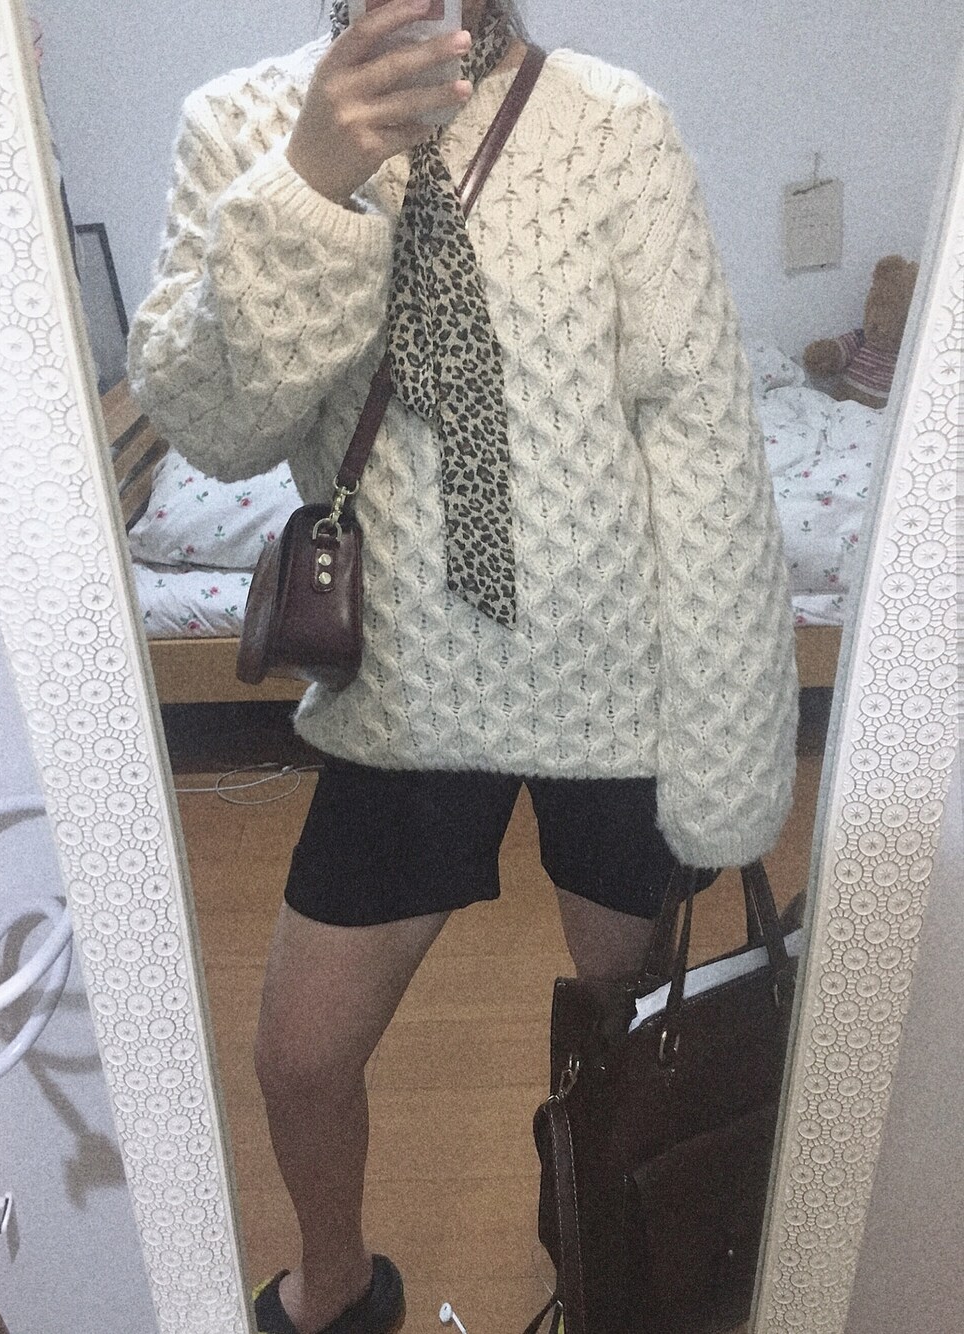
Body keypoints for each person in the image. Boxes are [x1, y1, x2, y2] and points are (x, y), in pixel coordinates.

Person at [128, 1, 799, 1329]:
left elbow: (702, 433)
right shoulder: (241, 125)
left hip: (618, 689)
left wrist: (728, 735)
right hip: (400, 700)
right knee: (299, 1055)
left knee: (627, 1047)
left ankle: (606, 1270)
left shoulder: (614, 121)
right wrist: (310, 182)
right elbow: (214, 429)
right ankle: (334, 1283)